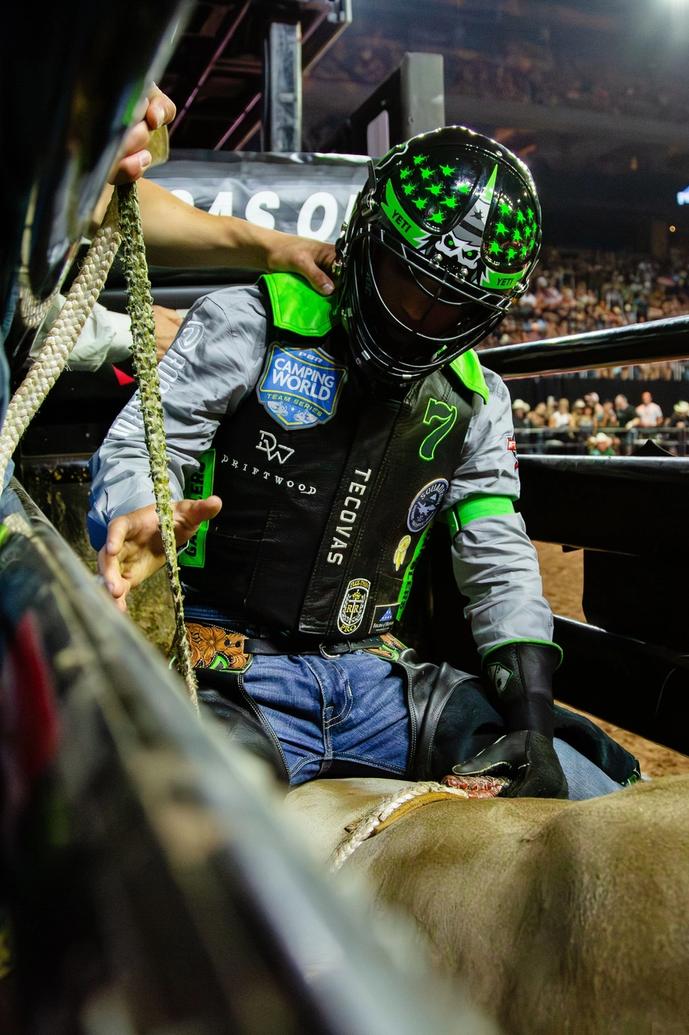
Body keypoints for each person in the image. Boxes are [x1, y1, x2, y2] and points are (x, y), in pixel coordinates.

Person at [88, 126, 639, 800]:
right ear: (364, 239)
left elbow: (495, 552)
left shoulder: (475, 399)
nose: (418, 317)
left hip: (380, 675)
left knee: (593, 784)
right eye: (406, 280)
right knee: (204, 838)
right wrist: (137, 508)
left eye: (450, 307)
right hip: (224, 658)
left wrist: (527, 714)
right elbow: (147, 443)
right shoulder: (250, 321)